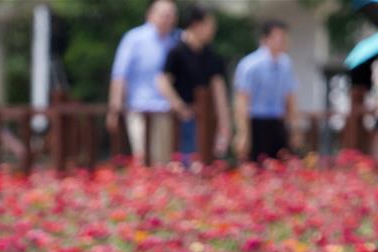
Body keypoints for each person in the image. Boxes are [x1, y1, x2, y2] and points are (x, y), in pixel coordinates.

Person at [107, 0, 179, 166]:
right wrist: (114, 108)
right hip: (139, 108)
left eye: (171, 15)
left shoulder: (176, 39)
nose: (168, 19)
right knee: (143, 156)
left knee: (165, 161)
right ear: (151, 15)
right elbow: (120, 75)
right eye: (164, 15)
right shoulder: (134, 38)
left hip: (167, 110)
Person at [156, 4, 231, 164]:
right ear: (197, 25)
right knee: (184, 162)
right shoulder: (177, 51)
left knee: (206, 163)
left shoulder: (211, 54)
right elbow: (162, 81)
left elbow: (219, 89)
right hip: (183, 119)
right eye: (210, 26)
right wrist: (180, 106)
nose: (213, 30)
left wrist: (225, 124)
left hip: (207, 117)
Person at [233, 20, 299, 162]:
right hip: (256, 122)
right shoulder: (250, 65)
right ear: (266, 39)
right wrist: (243, 133)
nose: (283, 41)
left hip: (277, 121)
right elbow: (242, 99)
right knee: (257, 167)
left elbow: (290, 97)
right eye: (279, 37)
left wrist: (294, 128)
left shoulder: (286, 63)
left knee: (280, 167)